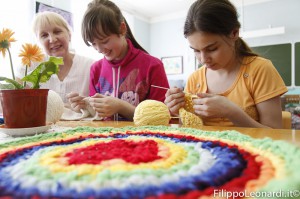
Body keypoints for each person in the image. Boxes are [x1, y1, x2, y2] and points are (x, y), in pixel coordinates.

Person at [164, 0, 287, 128]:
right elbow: (188, 130)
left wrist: (231, 112)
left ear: (234, 33)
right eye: (196, 51)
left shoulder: (260, 70)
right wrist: (178, 111)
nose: (203, 60)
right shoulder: (195, 79)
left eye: (212, 49)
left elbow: (275, 133)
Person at [67, 0, 169, 121]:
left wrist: (121, 107)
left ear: (122, 29)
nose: (99, 49)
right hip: (105, 137)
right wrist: (84, 105)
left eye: (104, 41)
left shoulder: (153, 66)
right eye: (93, 43)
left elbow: (162, 116)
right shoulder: (96, 69)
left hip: (142, 138)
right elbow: (98, 115)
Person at [18, 11, 95, 103]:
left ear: (69, 35)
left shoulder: (90, 66)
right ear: (38, 41)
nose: (52, 39)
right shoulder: (30, 65)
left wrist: (87, 103)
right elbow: (13, 101)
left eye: (57, 32)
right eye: (44, 35)